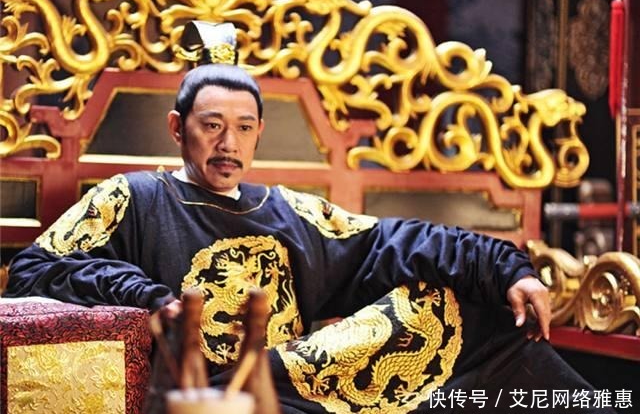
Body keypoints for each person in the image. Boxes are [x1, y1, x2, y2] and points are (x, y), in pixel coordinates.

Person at [4, 26, 613, 414]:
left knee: (455, 301)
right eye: (211, 125)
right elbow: (35, 269)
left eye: (243, 128)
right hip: (193, 390)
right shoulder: (133, 197)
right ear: (177, 128)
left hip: (290, 384)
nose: (228, 143)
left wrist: (508, 268)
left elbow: (396, 241)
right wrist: (146, 297)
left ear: (259, 134)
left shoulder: (287, 211)